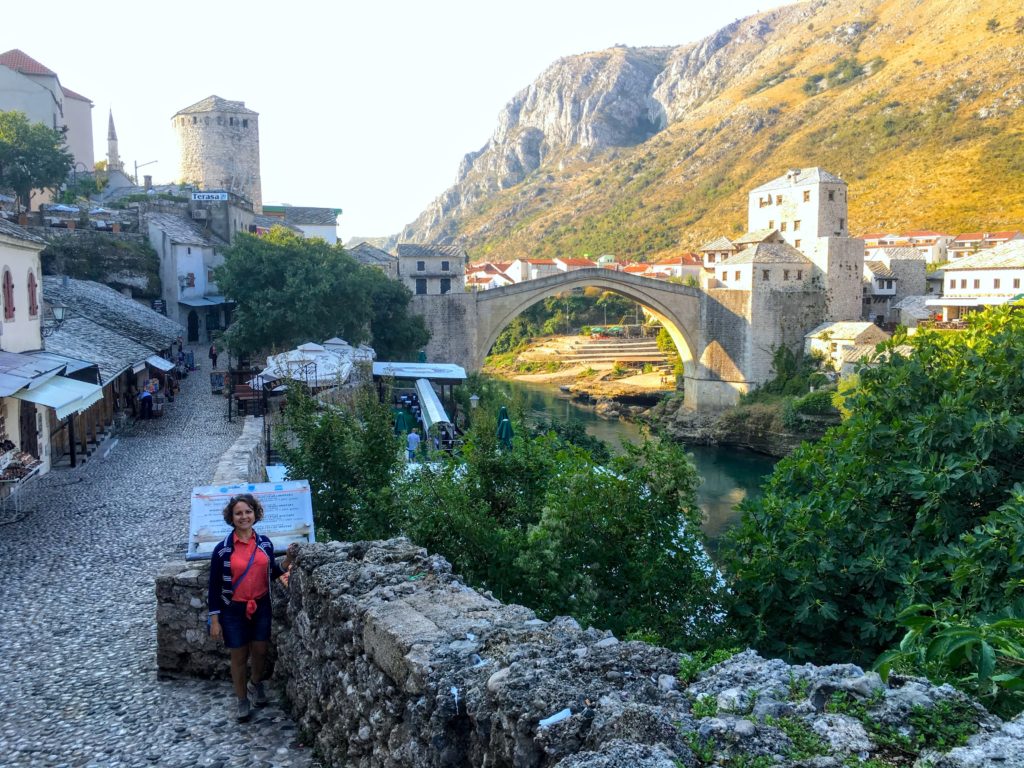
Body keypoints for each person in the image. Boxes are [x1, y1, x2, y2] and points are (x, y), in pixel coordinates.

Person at [207, 494, 290, 722]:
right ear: (231, 518)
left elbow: (271, 573)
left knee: (261, 651)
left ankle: (256, 684)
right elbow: (214, 587)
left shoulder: (265, 544)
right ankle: (242, 699)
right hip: (233, 610)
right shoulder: (223, 550)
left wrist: (288, 561)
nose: (244, 517)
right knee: (239, 656)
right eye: (239, 513)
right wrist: (214, 620)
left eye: (248, 512)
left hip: (261, 605)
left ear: (255, 514)